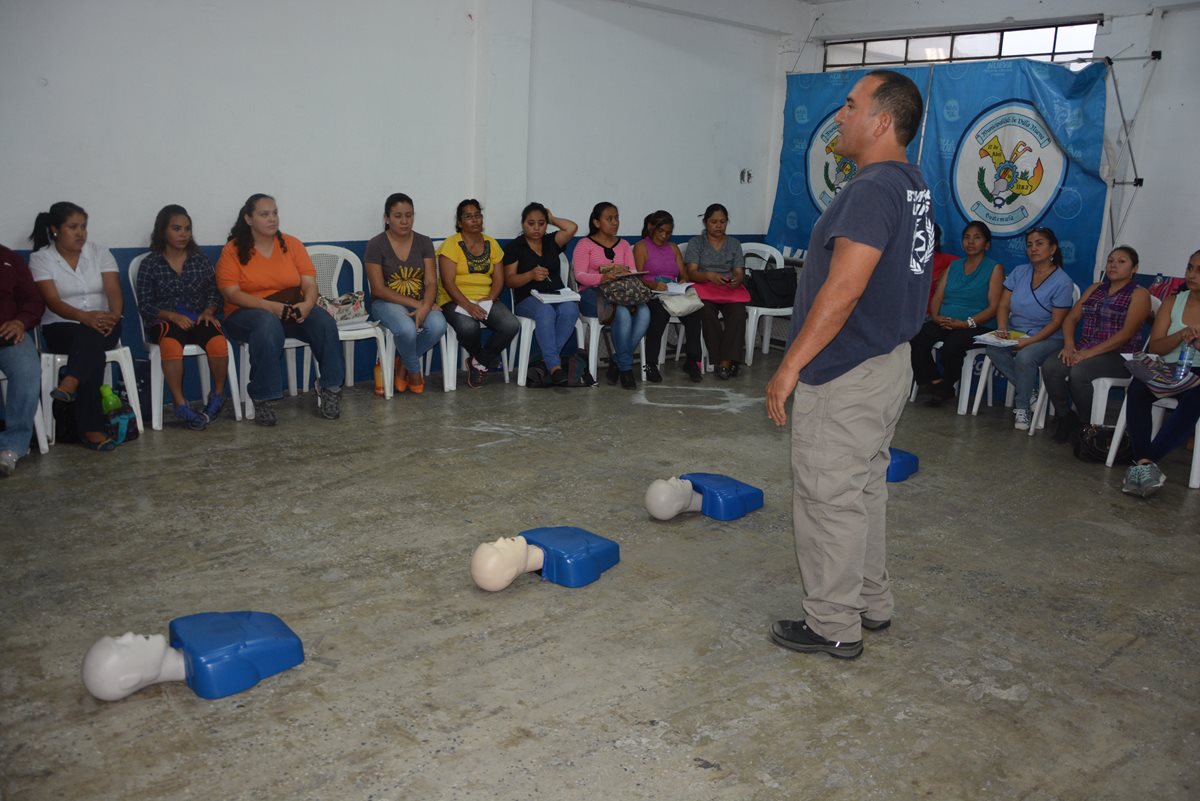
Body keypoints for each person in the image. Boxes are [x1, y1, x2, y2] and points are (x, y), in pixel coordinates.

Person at [764, 70, 934, 659]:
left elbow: (844, 288)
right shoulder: (912, 185)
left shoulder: (869, 190)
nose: (840, 115)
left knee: (827, 496)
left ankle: (833, 622)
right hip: (888, 361)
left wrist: (790, 367)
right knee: (862, 490)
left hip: (847, 372)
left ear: (882, 120)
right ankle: (869, 601)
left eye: (850, 105)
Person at [215, 193, 345, 425]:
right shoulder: (232, 250)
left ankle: (330, 388)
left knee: (324, 322)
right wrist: (270, 307)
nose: (272, 219)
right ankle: (263, 397)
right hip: (244, 313)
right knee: (267, 323)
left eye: (275, 213)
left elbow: (309, 283)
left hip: (290, 309)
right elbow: (231, 293)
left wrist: (307, 304)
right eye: (264, 214)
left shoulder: (292, 244)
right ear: (248, 219)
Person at [29, 202, 123, 451]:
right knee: (91, 346)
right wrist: (85, 316)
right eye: (73, 227)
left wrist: (113, 315)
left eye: (83, 227)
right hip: (61, 326)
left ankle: (70, 382)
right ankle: (91, 428)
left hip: (107, 323)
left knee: (91, 337)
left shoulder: (100, 252)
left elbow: (113, 290)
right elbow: (52, 301)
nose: (80, 232)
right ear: (55, 229)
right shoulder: (41, 258)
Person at [135, 204, 230, 429]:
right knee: (170, 343)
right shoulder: (150, 264)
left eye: (187, 229)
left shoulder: (199, 260)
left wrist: (208, 311)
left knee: (218, 341)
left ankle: (217, 395)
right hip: (166, 321)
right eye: (176, 229)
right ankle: (180, 403)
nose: (183, 234)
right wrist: (171, 315)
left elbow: (215, 293)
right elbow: (145, 304)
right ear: (163, 231)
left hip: (198, 318)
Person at [1042, 245, 1151, 442]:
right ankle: (1066, 417)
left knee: (1079, 372)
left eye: (1121, 261)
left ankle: (1087, 425)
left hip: (1120, 356)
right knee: (1051, 367)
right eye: (1110, 261)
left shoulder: (1139, 294)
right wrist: (1069, 345)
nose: (1113, 265)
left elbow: (1127, 333)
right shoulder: (1095, 289)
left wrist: (1087, 354)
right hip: (1084, 350)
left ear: (1134, 268)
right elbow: (1071, 319)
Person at [1121, 249, 1200, 497]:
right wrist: (1181, 335)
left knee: (1195, 397)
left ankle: (1144, 462)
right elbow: (1155, 346)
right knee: (1137, 388)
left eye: (1199, 270)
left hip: (1198, 371)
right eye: (1189, 267)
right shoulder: (1173, 301)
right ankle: (1145, 463)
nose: (1192, 274)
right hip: (1169, 368)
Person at [985, 226, 1076, 430]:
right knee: (993, 348)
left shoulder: (1063, 281)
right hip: (1016, 331)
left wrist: (1029, 341)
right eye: (1029, 245)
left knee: (1026, 357)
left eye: (1039, 244)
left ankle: (1022, 407)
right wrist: (1001, 328)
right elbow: (1003, 305)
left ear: (1052, 249)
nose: (1033, 248)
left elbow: (1056, 322)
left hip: (1049, 337)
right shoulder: (1020, 272)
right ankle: (1029, 389)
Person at [910, 221, 1004, 407]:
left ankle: (947, 383)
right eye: (967, 237)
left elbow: (994, 308)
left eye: (977, 237)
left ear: (987, 244)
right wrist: (936, 317)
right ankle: (935, 382)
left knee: (952, 346)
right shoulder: (953, 266)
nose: (970, 242)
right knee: (918, 336)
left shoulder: (995, 268)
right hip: (946, 320)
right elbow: (938, 297)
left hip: (977, 325)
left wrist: (965, 324)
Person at [364, 193, 447, 395]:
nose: (404, 221)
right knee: (406, 329)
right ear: (387, 218)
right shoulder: (376, 244)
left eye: (408, 216)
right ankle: (415, 372)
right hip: (385, 302)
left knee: (438, 326)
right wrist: (419, 305)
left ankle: (403, 364)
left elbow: (430, 281)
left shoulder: (424, 242)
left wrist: (426, 305)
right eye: (398, 216)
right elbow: (378, 289)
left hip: (420, 301)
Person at [436, 199, 520, 388]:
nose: (474, 220)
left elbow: (499, 278)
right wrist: (468, 305)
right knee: (468, 328)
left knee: (511, 325)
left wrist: (491, 297)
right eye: (468, 216)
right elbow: (448, 283)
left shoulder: (492, 243)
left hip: (485, 298)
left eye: (477, 215)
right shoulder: (451, 245)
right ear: (459, 222)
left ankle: (479, 362)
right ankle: (484, 360)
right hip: (454, 299)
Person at [573, 202, 650, 389]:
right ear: (597, 222)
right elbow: (580, 276)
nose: (615, 222)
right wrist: (603, 276)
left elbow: (632, 270)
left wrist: (625, 272)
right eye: (609, 219)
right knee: (621, 313)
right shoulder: (584, 244)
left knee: (645, 312)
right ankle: (625, 369)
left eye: (616, 218)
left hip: (622, 291)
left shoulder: (623, 244)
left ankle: (616, 359)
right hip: (593, 293)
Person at [503, 203, 579, 386]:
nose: (536, 228)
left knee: (571, 309)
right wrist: (530, 275)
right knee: (546, 311)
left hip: (557, 295)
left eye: (541, 223)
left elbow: (572, 227)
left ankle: (545, 362)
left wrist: (552, 219)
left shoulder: (551, 241)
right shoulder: (515, 247)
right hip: (528, 299)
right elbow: (509, 281)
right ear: (522, 224)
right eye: (531, 223)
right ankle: (554, 366)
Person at [634, 210, 703, 383]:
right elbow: (637, 276)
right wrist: (652, 285)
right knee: (659, 314)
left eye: (668, 232)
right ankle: (650, 363)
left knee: (694, 313)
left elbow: (683, 274)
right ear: (651, 228)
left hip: (672, 293)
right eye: (660, 231)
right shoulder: (641, 247)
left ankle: (693, 361)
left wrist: (682, 282)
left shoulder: (672, 248)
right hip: (652, 293)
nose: (664, 236)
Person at [684, 203, 749, 379]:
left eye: (722, 221)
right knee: (704, 311)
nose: (719, 226)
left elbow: (738, 270)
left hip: (728, 289)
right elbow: (691, 272)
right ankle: (724, 360)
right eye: (714, 222)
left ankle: (725, 361)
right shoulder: (696, 243)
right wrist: (708, 276)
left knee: (738, 312)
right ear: (705, 222)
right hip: (705, 288)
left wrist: (737, 279)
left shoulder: (734, 244)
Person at [0, 243, 44, 475]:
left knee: (27, 369)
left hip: (8, 333)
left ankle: (11, 447)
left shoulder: (9, 259)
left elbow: (33, 301)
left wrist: (20, 322)